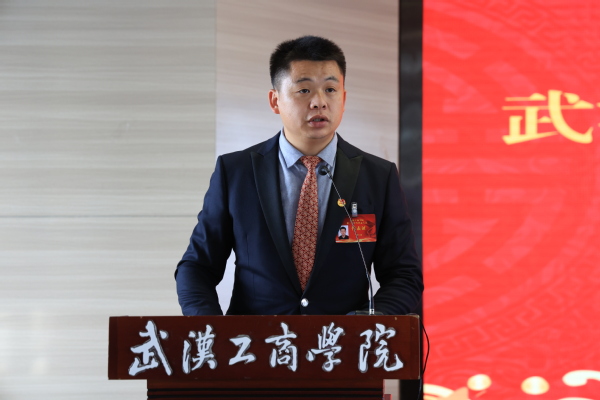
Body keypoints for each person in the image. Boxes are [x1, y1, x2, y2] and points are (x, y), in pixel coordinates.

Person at [175, 35, 422, 316]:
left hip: (341, 342)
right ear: (275, 100)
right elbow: (197, 267)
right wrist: (211, 330)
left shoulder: (378, 176)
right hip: (256, 341)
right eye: (304, 90)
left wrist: (368, 325)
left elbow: (404, 275)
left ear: (343, 98)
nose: (319, 102)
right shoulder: (235, 172)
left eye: (330, 89)